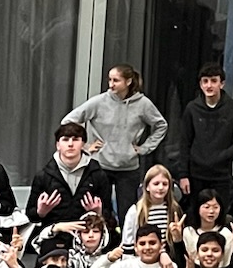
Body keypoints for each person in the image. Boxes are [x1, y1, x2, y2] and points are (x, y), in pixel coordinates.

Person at [72, 65, 169, 219]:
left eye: (116, 80)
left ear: (128, 81)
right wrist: (85, 146)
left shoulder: (143, 104)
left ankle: (124, 236)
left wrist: (144, 148)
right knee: (100, 212)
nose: (111, 84)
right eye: (109, 80)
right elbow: (69, 121)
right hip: (101, 164)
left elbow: (161, 125)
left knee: (128, 213)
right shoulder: (99, 102)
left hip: (128, 168)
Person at [163, 62, 233, 202]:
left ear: (222, 84)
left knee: (220, 211)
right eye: (205, 81)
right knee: (195, 211)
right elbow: (184, 143)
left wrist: (225, 155)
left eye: (214, 81)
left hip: (222, 175)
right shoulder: (192, 108)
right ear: (200, 84)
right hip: (195, 175)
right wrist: (183, 175)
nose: (209, 85)